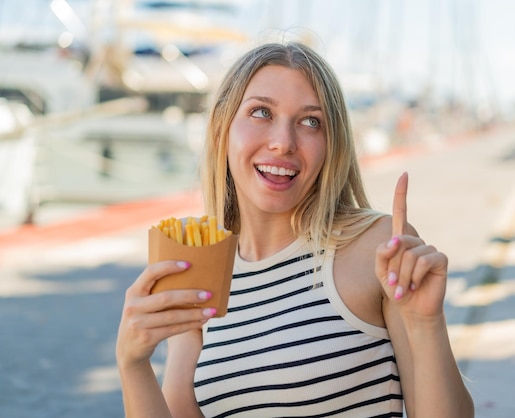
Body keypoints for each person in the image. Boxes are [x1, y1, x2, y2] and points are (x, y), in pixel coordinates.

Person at [116, 41, 474, 418]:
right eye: (261, 112)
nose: (283, 142)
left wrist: (425, 324)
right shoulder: (203, 269)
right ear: (223, 126)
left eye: (310, 121)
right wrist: (133, 363)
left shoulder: (376, 246)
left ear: (331, 144)